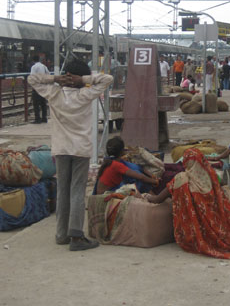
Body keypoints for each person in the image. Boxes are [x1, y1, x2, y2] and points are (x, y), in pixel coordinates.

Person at [28, 58, 113, 251]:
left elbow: (32, 79)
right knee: (77, 190)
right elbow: (107, 79)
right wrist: (82, 80)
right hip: (81, 149)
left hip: (61, 149)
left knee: (63, 190)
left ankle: (61, 234)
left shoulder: (53, 93)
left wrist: (57, 78)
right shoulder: (85, 93)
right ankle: (76, 236)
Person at [146, 148, 230, 259]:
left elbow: (157, 199)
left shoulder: (181, 178)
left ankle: (194, 236)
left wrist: (146, 196)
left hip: (192, 234)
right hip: (218, 228)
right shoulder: (212, 176)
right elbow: (223, 187)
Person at [94, 137, 158, 195]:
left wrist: (151, 176)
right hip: (106, 194)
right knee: (138, 182)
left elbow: (137, 168)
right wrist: (155, 181)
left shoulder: (108, 161)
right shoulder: (117, 165)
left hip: (105, 191)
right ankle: (154, 200)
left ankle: (153, 199)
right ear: (122, 152)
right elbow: (141, 177)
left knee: (132, 177)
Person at [30, 55, 49, 124]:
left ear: (33, 60)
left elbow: (32, 76)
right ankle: (44, 118)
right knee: (43, 103)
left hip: (37, 87)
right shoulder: (44, 66)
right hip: (43, 87)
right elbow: (48, 75)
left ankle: (37, 119)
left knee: (36, 104)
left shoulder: (34, 67)